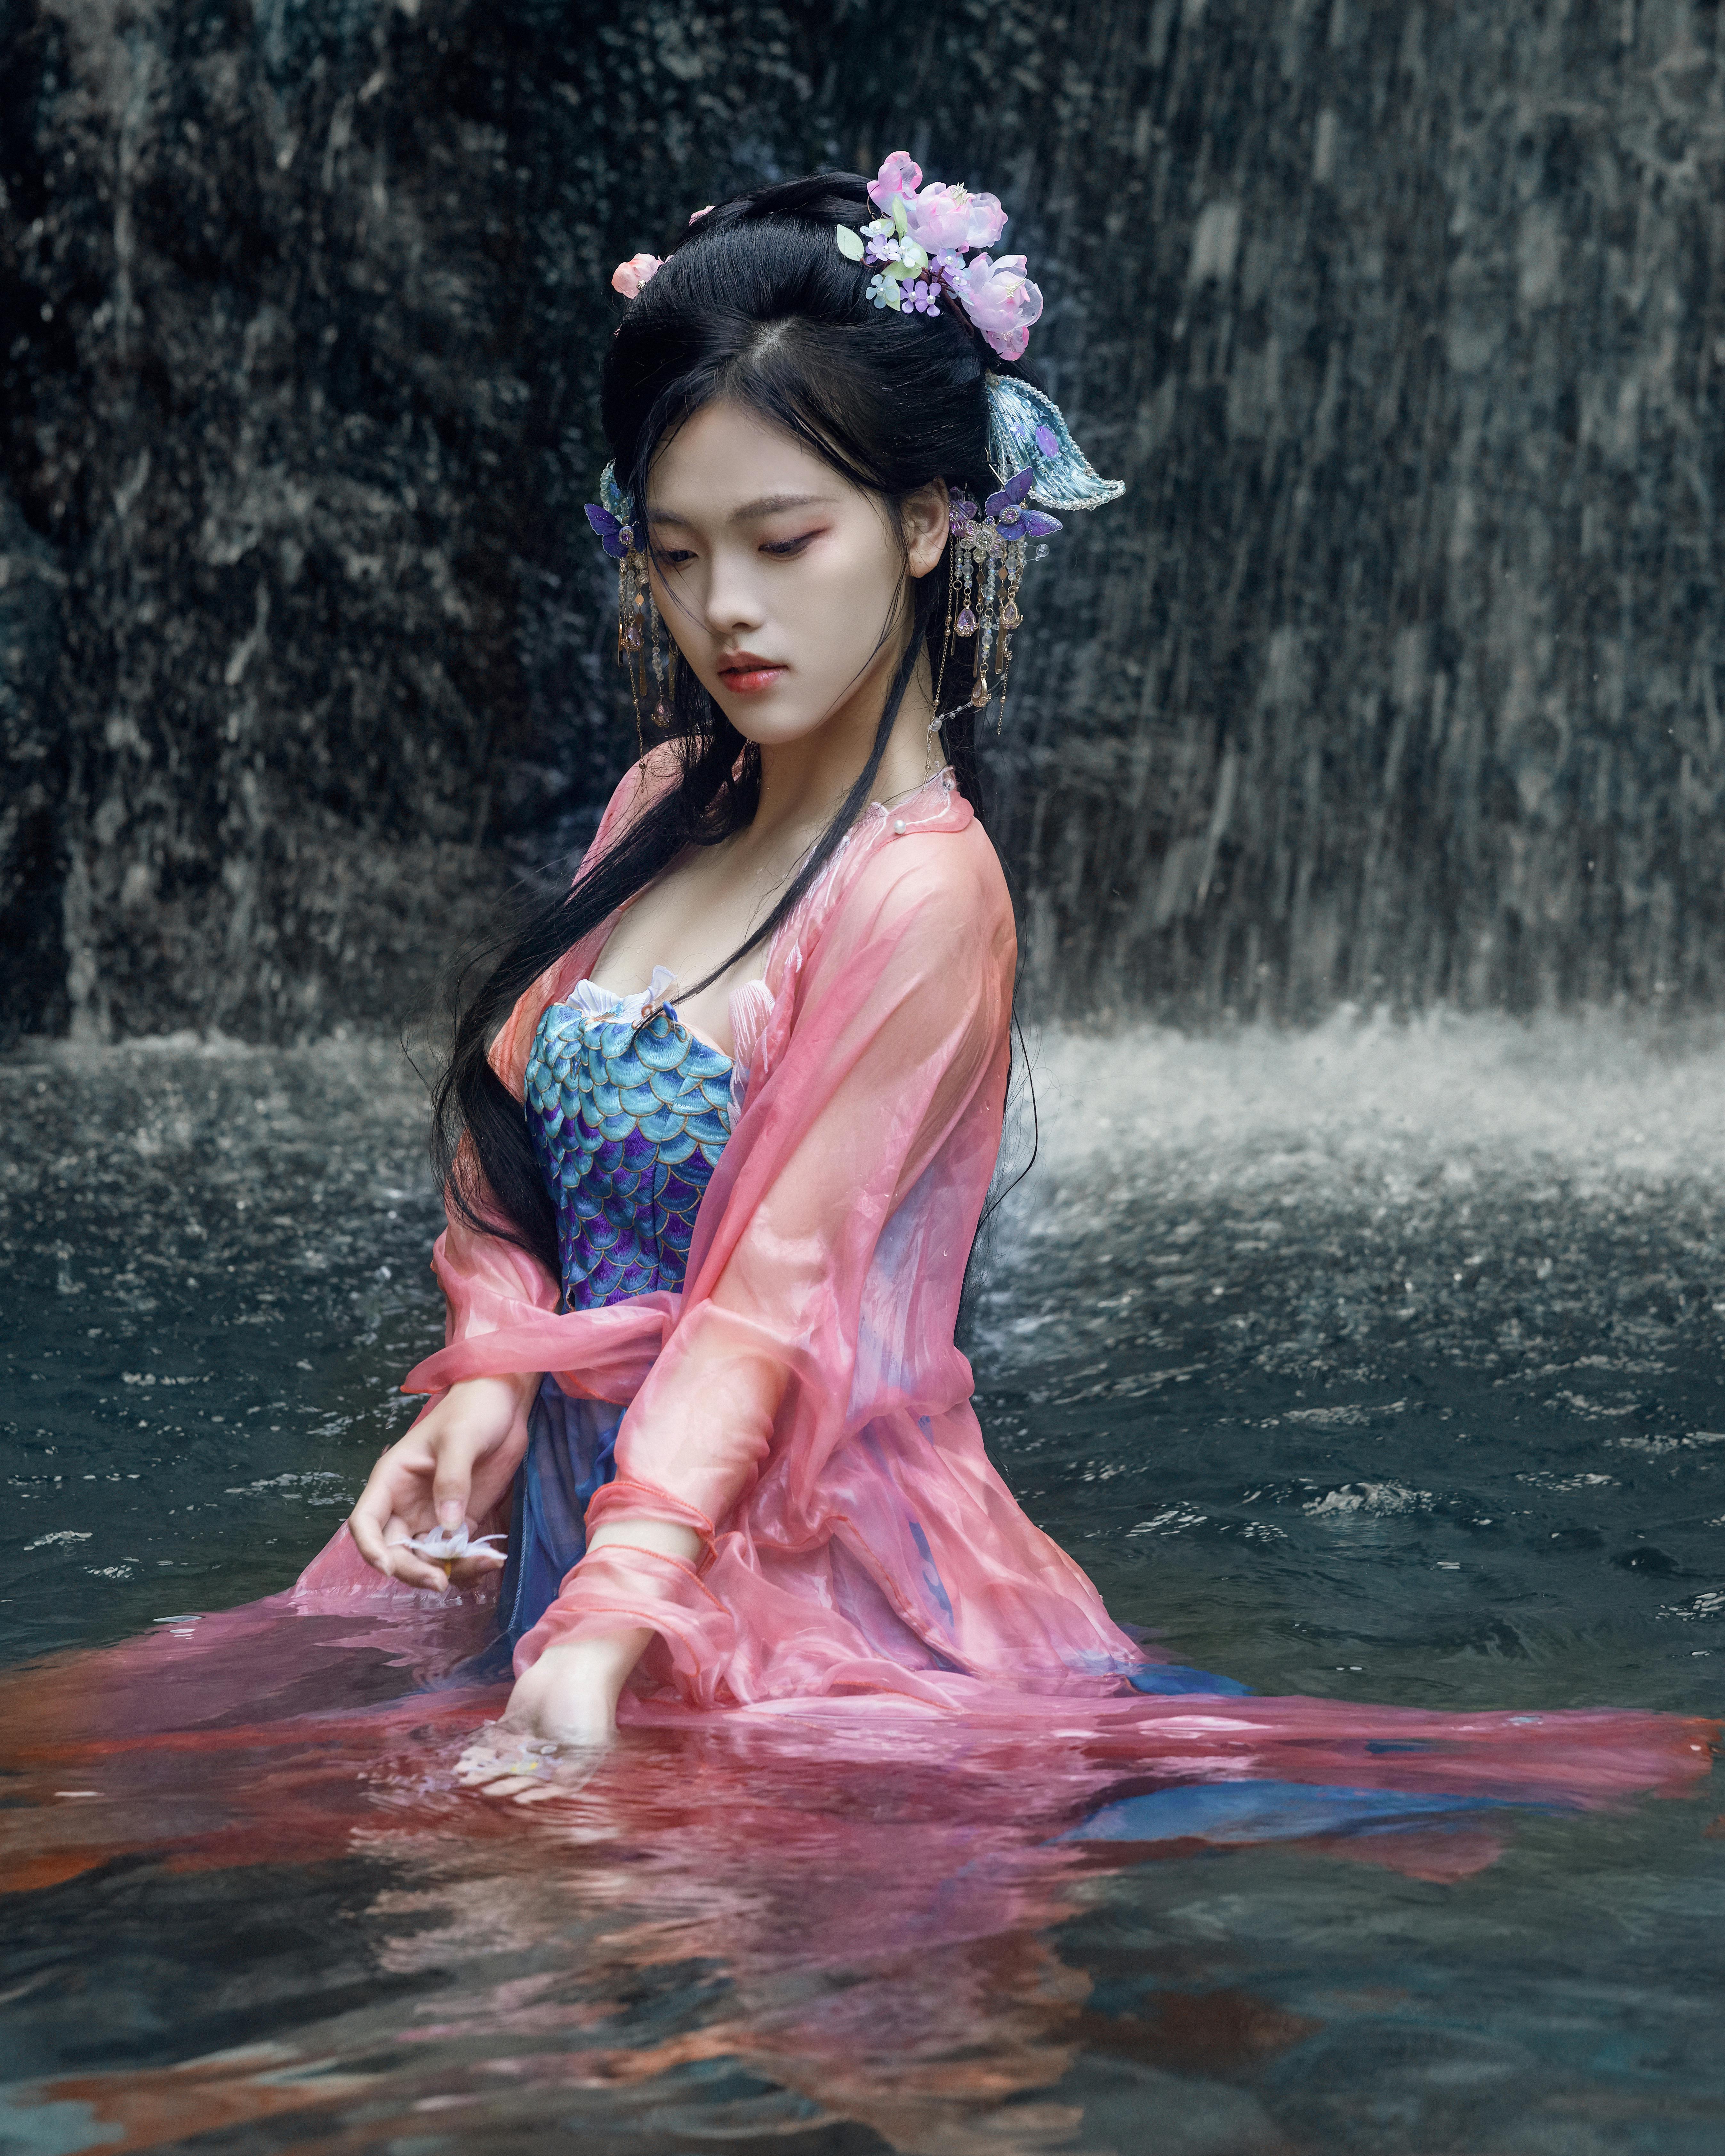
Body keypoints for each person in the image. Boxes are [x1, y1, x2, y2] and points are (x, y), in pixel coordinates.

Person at [296, 160, 1712, 1827]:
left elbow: (776, 1293)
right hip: (556, 1526)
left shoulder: (921, 892)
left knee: (782, 2014)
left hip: (795, 1571)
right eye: (677, 555)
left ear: (919, 522)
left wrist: (617, 1611)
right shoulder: (663, 798)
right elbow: (518, 1133)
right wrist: (483, 1382)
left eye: (783, 539)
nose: (725, 610)